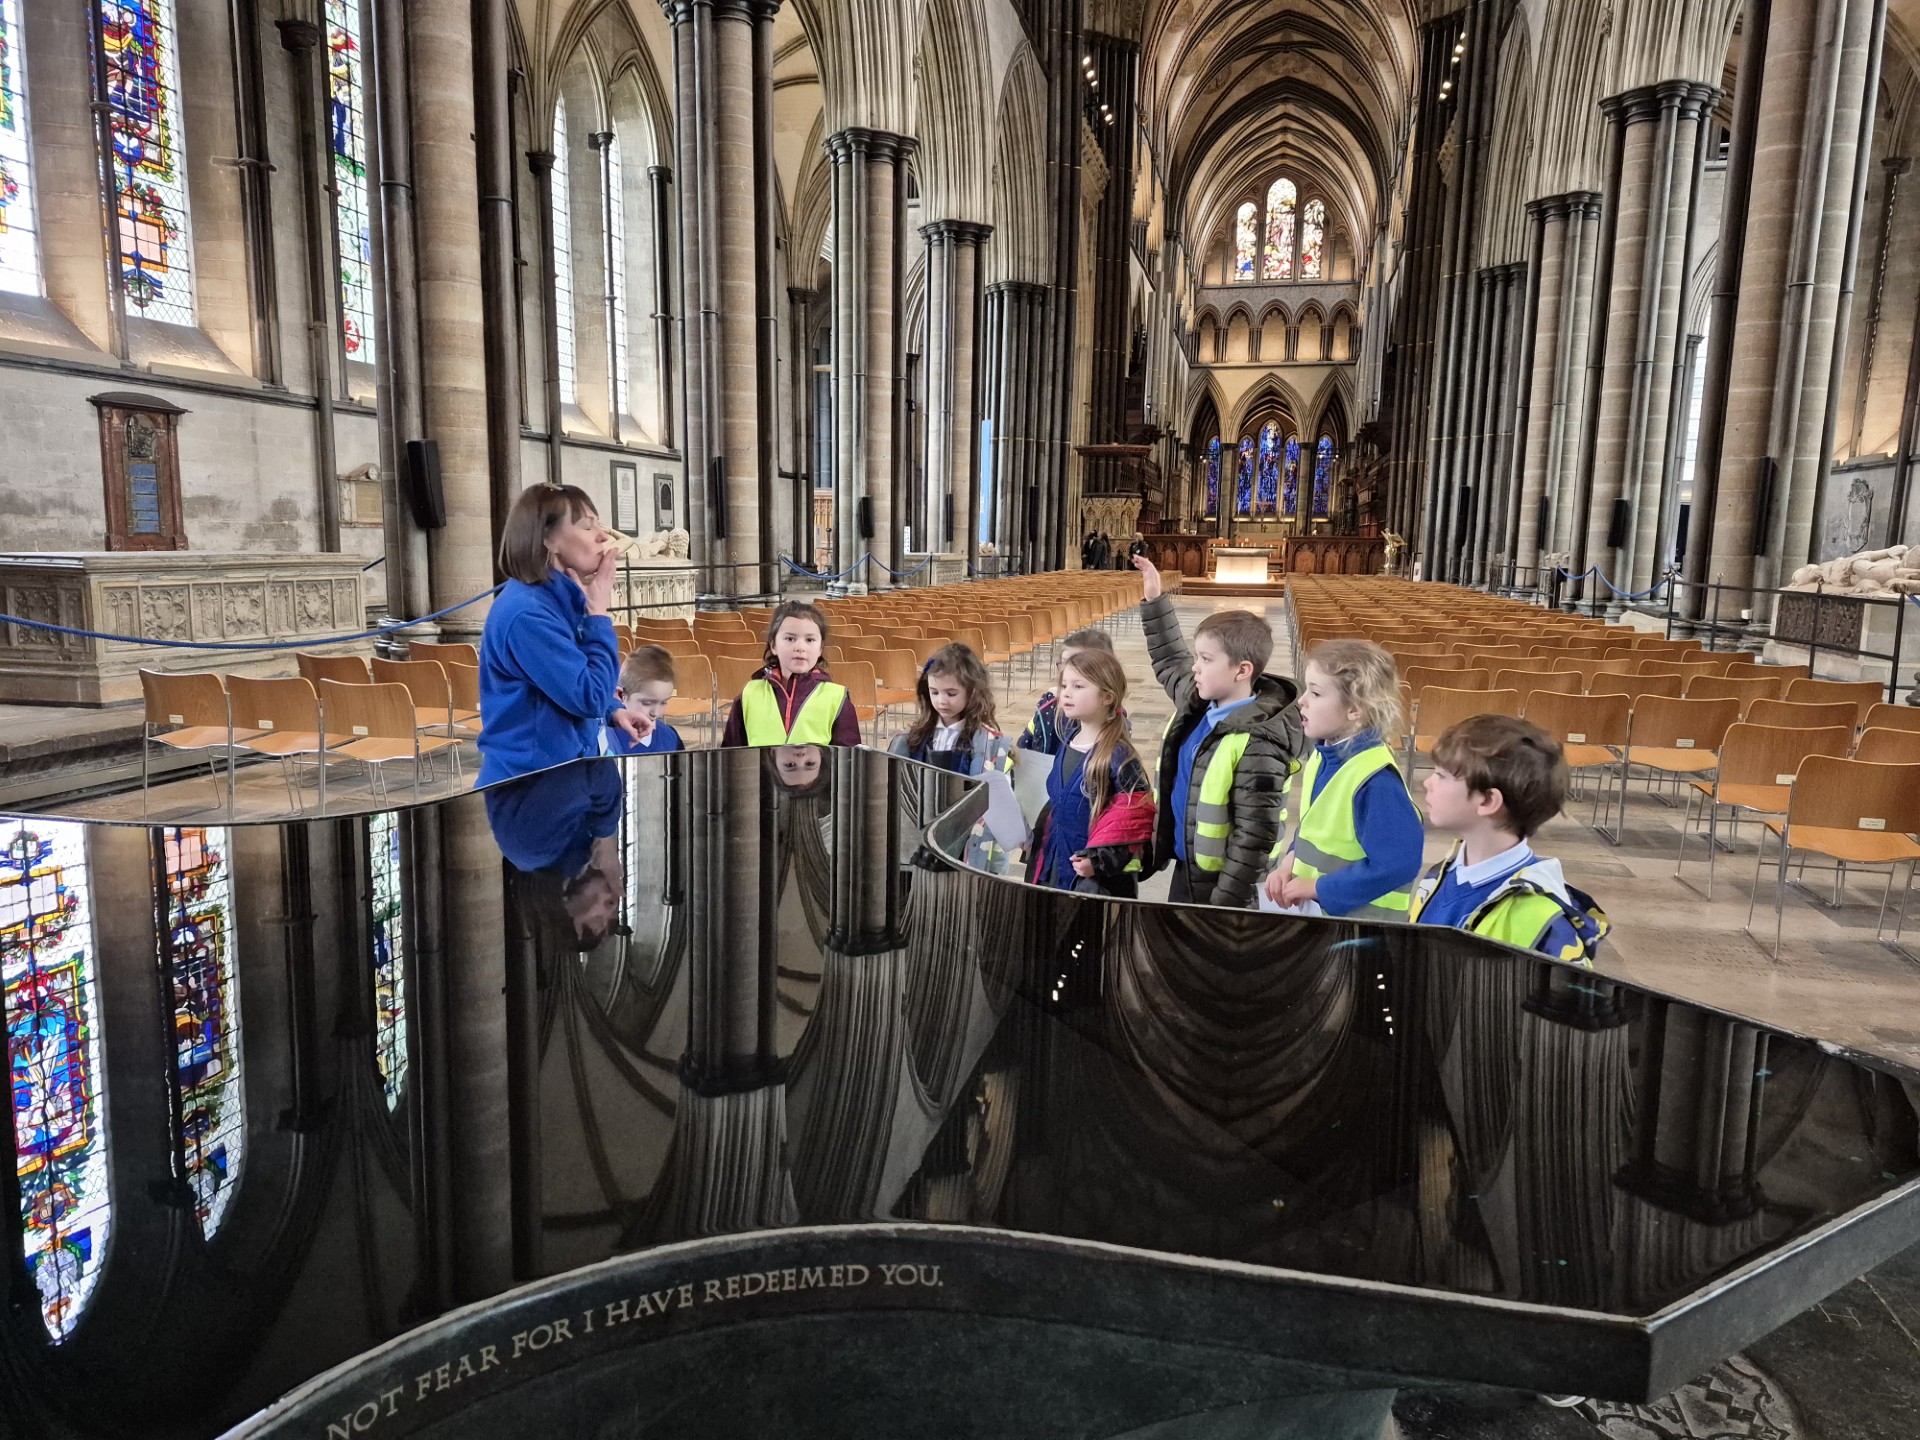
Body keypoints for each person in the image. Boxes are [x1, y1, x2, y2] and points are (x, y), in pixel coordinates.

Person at [1134, 556, 1305, 907]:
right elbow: (1171, 661)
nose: (1195, 668)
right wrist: (1154, 601)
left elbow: (1254, 838)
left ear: (1242, 671)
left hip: (1223, 889)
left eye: (1206, 659)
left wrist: (1224, 903)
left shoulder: (1260, 743)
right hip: (1187, 867)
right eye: (1197, 657)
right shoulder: (1199, 703)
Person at [477, 484, 644, 787]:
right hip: (531, 787)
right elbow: (589, 697)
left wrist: (613, 710)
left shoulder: (555, 600)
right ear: (547, 539)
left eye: (598, 524)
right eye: (587, 526)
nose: (603, 536)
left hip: (564, 776)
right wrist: (598, 615)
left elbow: (564, 683)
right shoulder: (528, 615)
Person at [1412, 714, 1609, 964]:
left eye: (1441, 775)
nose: (1427, 783)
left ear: (1487, 801)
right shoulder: (1442, 873)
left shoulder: (1545, 923)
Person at [1263, 639, 1423, 920]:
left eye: (1315, 693)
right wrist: (1289, 863)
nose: (1302, 700)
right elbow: (1316, 831)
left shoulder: (1376, 781)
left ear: (1355, 709)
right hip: (1323, 920)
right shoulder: (1322, 755)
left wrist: (1318, 887)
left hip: (1363, 928)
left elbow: (1398, 864)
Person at [1026, 649, 1155, 896]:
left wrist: (1098, 861)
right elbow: (1057, 805)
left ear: (1107, 696)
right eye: (1064, 685)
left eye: (1078, 686)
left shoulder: (1120, 757)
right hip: (1055, 864)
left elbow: (1132, 825)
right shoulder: (1068, 741)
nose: (1066, 692)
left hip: (1095, 882)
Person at [720, 599, 861, 747]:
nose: (800, 647)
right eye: (790, 638)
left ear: (820, 648)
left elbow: (848, 757)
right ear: (774, 645)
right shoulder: (749, 694)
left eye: (810, 640)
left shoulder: (837, 698)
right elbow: (731, 754)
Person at [888, 642, 1011, 777]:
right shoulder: (914, 736)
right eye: (934, 692)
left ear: (972, 692)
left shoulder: (985, 740)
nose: (941, 701)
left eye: (951, 694)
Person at [1016, 627, 1118, 756]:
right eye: (1063, 663)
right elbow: (1023, 748)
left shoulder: (1115, 730)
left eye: (1076, 665)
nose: (1066, 671)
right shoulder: (1047, 707)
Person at [606, 644, 683, 756]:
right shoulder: (606, 738)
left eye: (663, 702)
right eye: (647, 703)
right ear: (621, 695)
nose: (655, 713)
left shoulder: (670, 737)